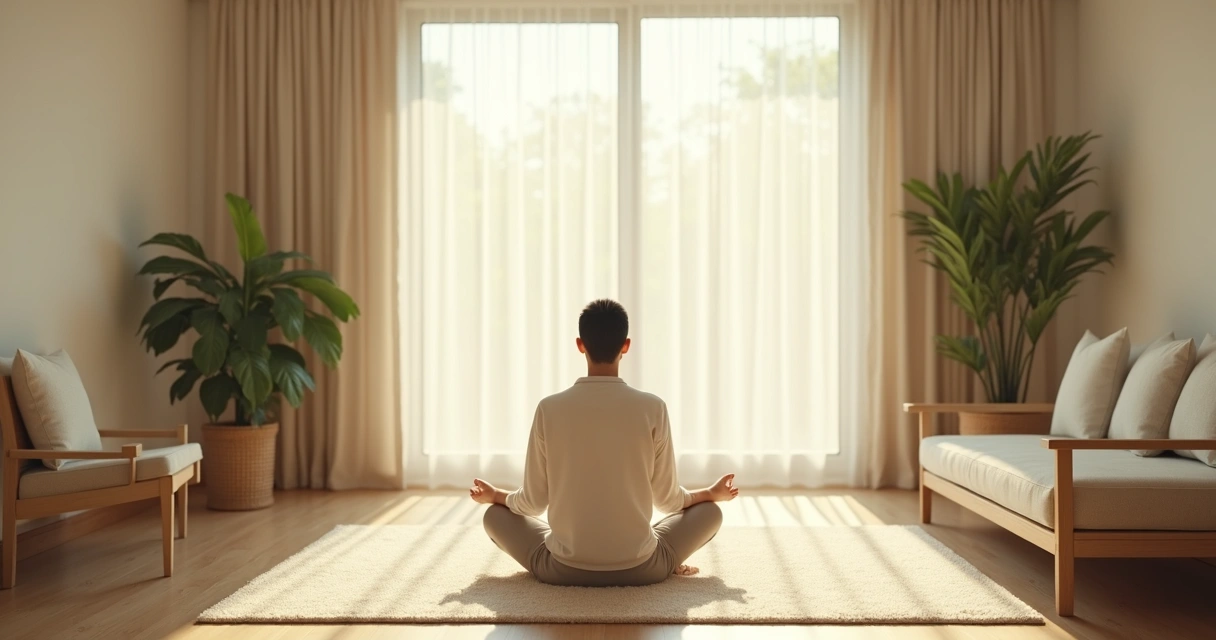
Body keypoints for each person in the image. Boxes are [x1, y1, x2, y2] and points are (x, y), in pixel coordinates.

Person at [469, 299, 739, 587]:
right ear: (626, 345)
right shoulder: (652, 407)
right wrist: (710, 493)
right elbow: (668, 501)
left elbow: (532, 503)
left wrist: (496, 496)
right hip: (644, 569)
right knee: (710, 512)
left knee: (494, 516)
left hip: (559, 570)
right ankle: (660, 557)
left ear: (580, 344)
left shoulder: (549, 408)